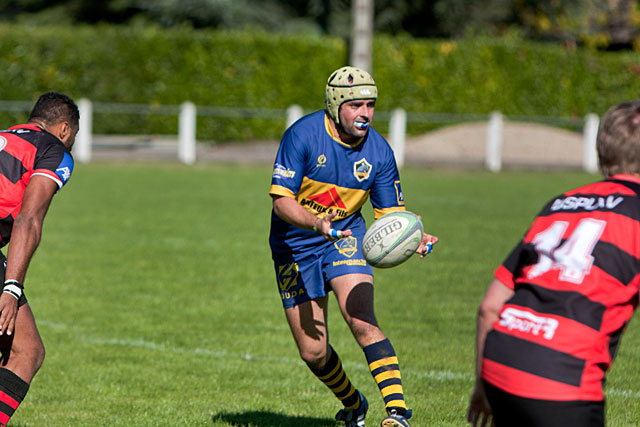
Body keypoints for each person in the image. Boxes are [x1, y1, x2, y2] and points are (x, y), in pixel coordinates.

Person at [268, 66, 438, 427]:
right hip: (294, 247)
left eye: (371, 105)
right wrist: (316, 223)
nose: (365, 114)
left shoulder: (379, 152)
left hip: (345, 239)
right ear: (335, 105)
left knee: (361, 321)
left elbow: (391, 215)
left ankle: (397, 413)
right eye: (356, 105)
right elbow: (281, 202)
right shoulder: (303, 136)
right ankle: (353, 403)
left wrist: (413, 235)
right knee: (313, 352)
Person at [467, 99, 640, 427]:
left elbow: (490, 306)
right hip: (563, 381)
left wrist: (481, 386)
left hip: (501, 363)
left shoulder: (560, 204)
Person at [0, 92, 78, 426]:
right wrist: (12, 288)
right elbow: (28, 219)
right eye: (73, 136)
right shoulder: (52, 150)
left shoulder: (4, 137)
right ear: (63, 129)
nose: (72, 144)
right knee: (26, 351)